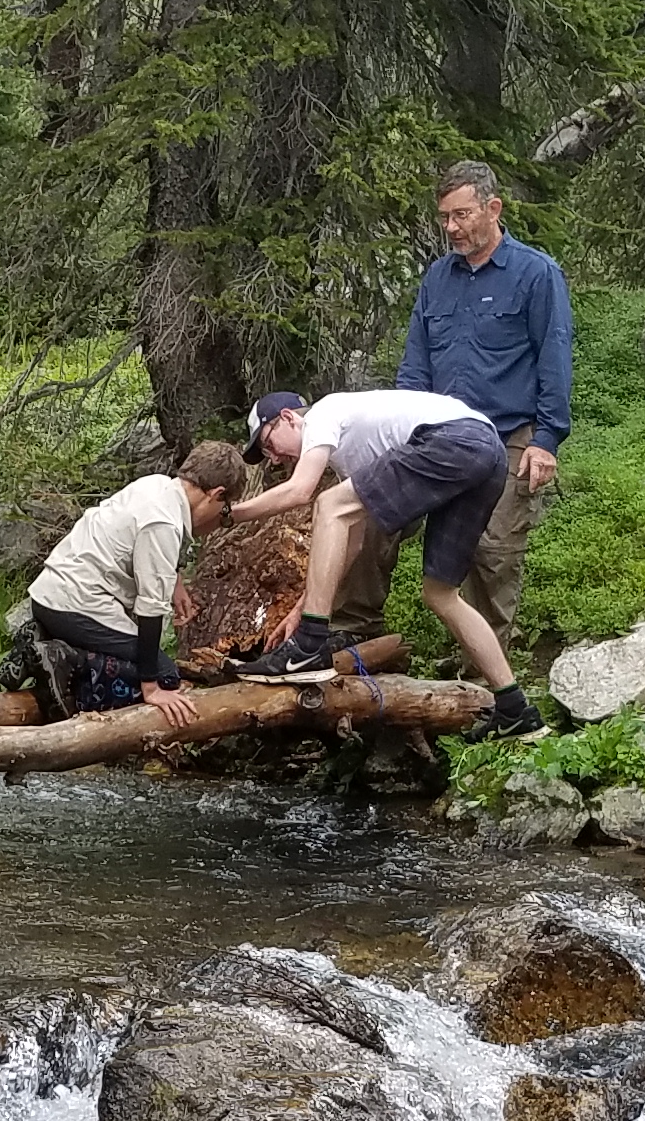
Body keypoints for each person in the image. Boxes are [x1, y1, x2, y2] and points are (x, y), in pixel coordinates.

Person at [329, 160, 571, 650]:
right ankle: (351, 631)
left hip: (506, 437)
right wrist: (398, 431)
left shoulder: (536, 275)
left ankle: (482, 677)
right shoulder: (438, 278)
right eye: (444, 217)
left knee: (493, 551)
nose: (451, 228)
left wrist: (545, 441)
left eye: (461, 215)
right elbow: (416, 365)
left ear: (493, 208)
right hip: (435, 435)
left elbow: (554, 357)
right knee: (372, 509)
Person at [229, 390, 546, 738]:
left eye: (269, 444)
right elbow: (353, 542)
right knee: (441, 594)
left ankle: (308, 648)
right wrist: (302, 609)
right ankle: (515, 709)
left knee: (328, 502)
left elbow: (300, 490)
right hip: (488, 453)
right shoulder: (353, 453)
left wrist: (228, 515)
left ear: (288, 417)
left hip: (454, 439)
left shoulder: (322, 414)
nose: (274, 458)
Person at [17, 444, 233, 726]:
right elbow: (150, 610)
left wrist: (175, 580)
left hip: (49, 596)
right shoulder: (163, 523)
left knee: (148, 662)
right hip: (76, 606)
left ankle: (43, 649)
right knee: (166, 675)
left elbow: (143, 545)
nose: (221, 517)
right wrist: (152, 688)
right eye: (224, 509)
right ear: (216, 494)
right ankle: (68, 660)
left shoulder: (156, 486)